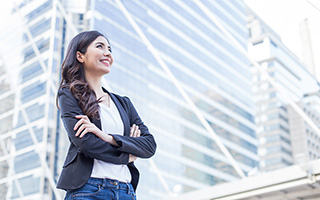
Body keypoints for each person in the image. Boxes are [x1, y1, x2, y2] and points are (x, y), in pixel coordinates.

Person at [56, 30, 156, 200]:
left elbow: (149, 145)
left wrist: (108, 137)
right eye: (100, 46)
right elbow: (87, 143)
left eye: (109, 49)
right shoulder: (69, 95)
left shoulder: (124, 103)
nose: (107, 53)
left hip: (126, 191)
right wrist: (127, 154)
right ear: (80, 56)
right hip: (88, 190)